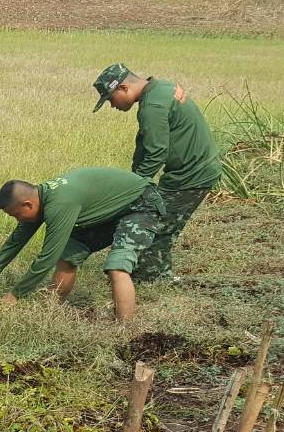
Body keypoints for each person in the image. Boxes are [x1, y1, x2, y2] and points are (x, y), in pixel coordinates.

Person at [0, 167, 165, 322]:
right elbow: (15, 242)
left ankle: (126, 331)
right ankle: (51, 310)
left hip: (140, 205)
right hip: (106, 212)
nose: (17, 220)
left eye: (16, 214)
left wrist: (15, 295)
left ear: (28, 205)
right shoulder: (39, 199)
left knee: (117, 266)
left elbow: (47, 258)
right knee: (68, 256)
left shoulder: (58, 205)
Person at [93, 63, 221, 283]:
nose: (112, 105)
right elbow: (144, 144)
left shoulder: (152, 106)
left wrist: (134, 190)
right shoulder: (161, 88)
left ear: (123, 88)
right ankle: (154, 274)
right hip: (197, 168)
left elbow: (156, 153)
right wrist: (133, 178)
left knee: (155, 224)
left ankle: (152, 278)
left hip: (192, 174)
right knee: (160, 219)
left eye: (111, 98)